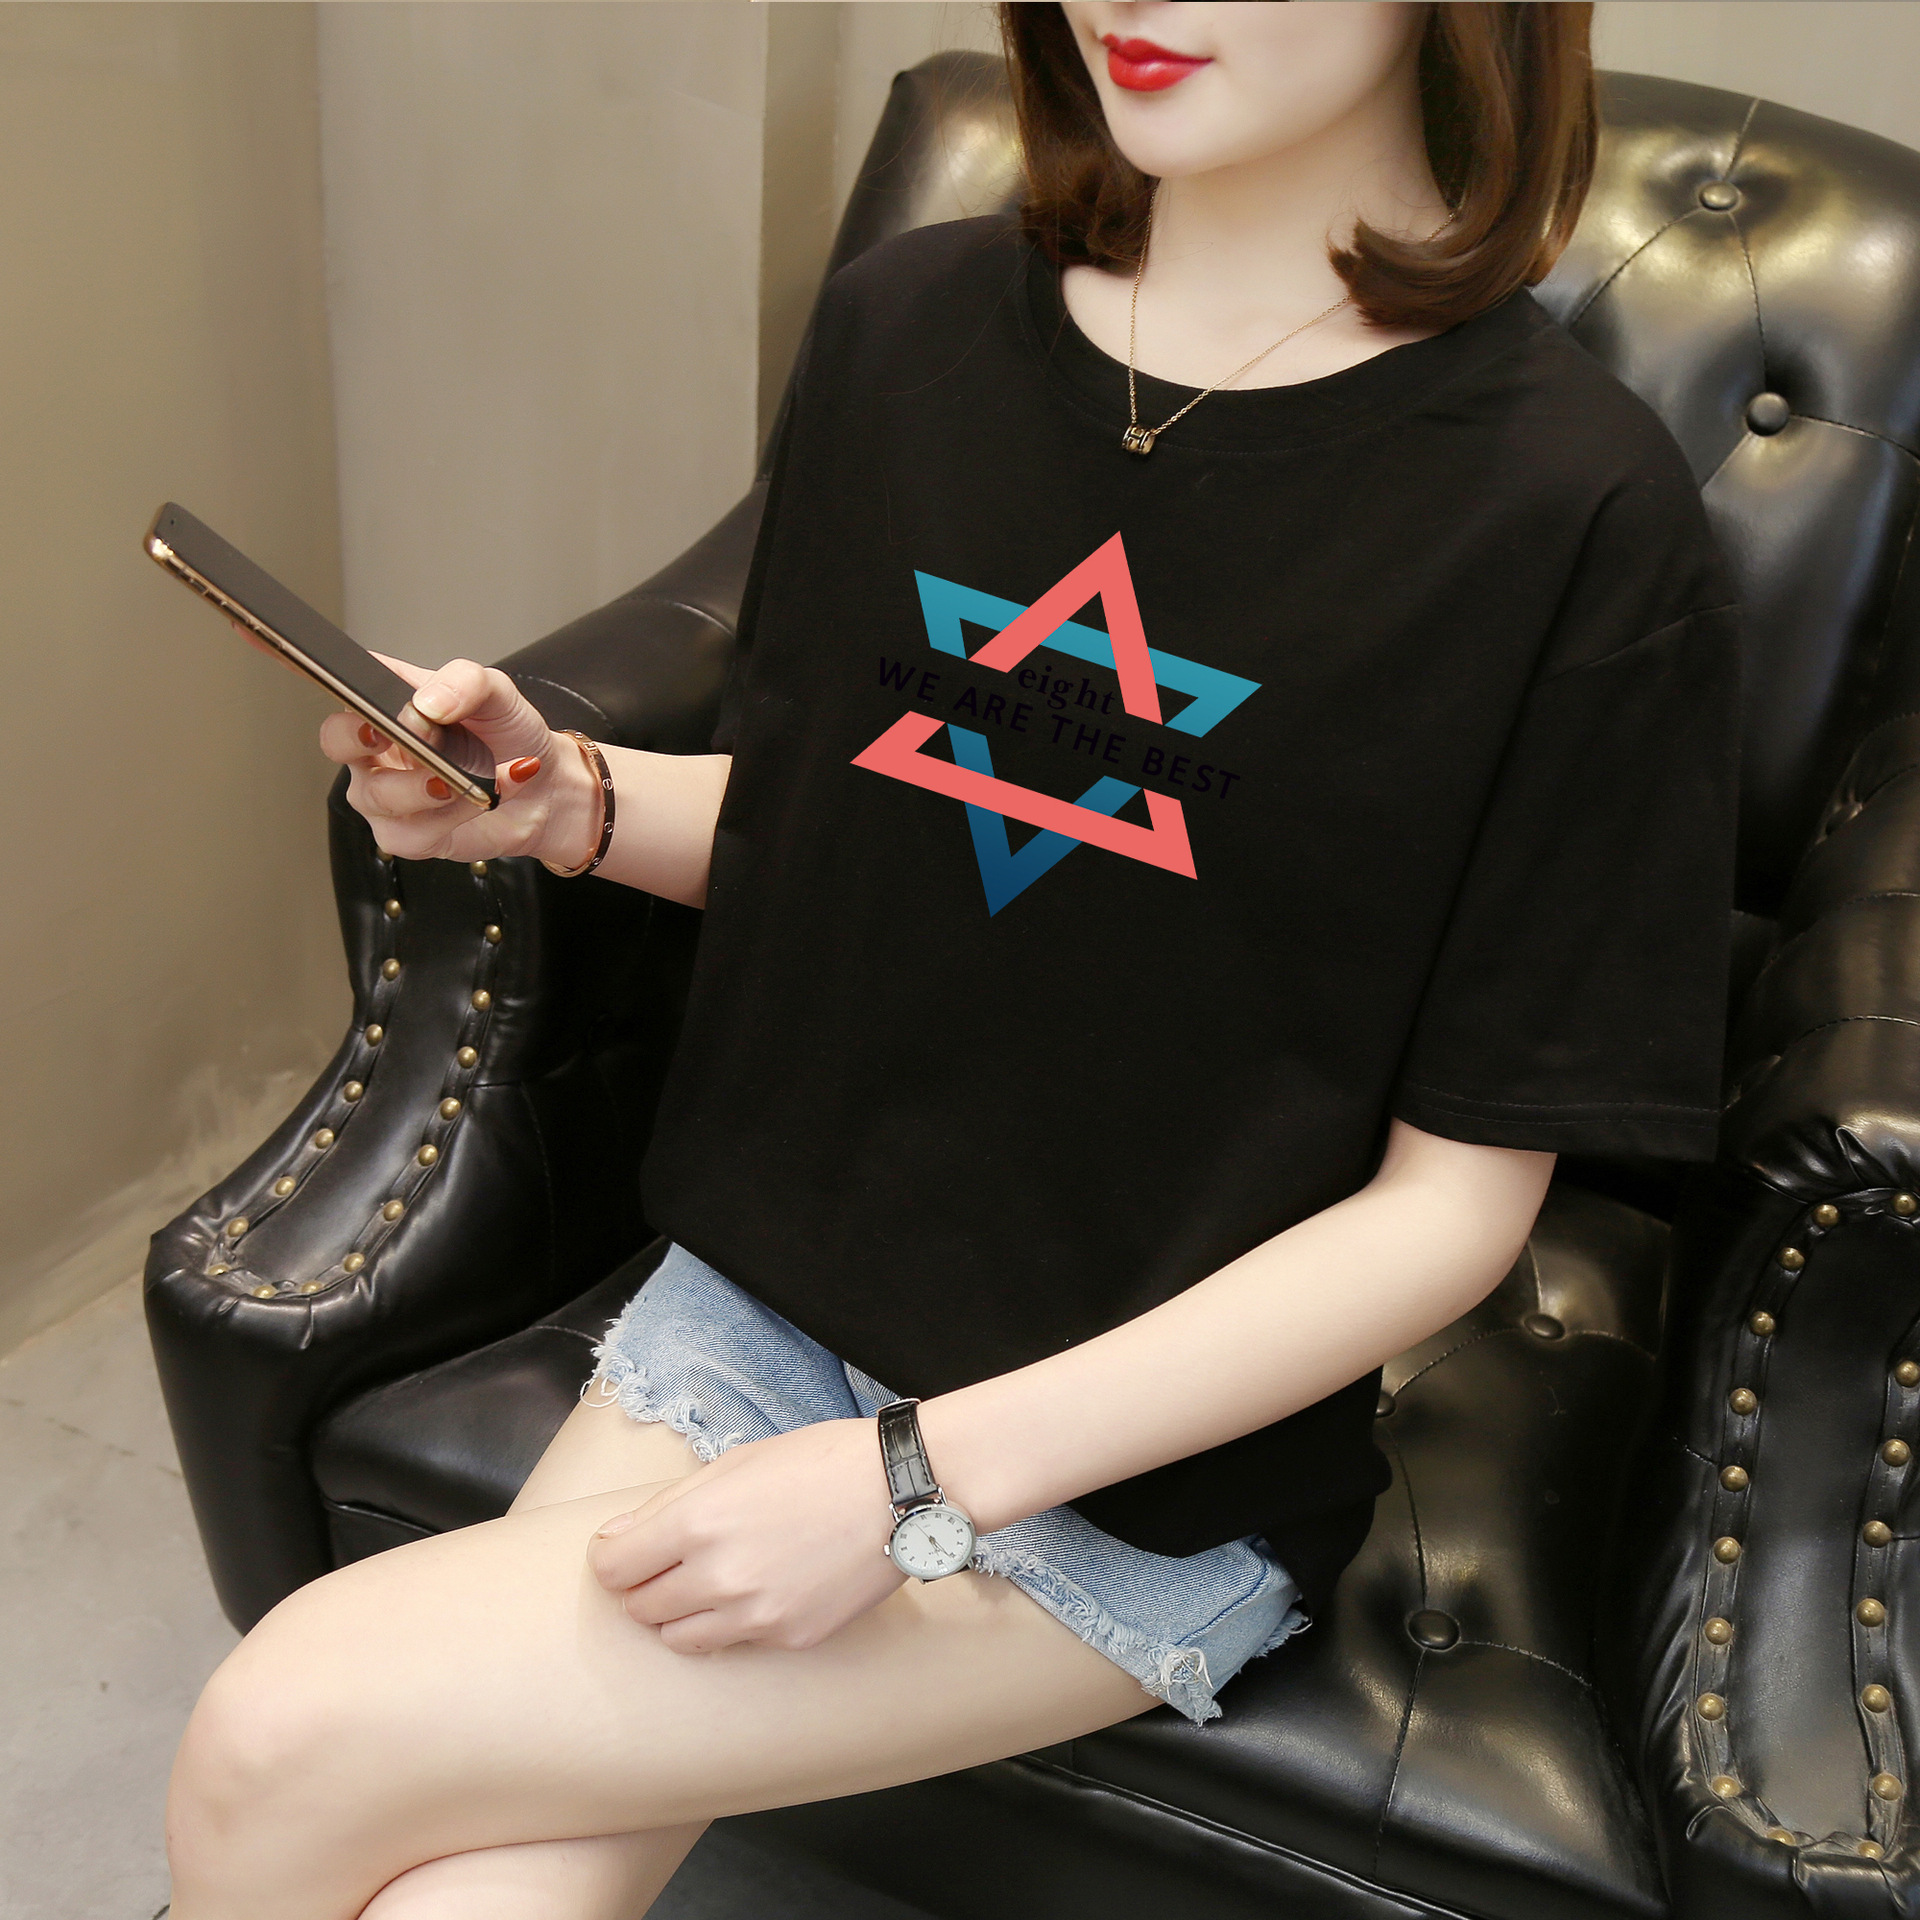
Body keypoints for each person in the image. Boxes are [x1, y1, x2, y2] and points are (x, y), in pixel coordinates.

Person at [163, 4, 1740, 1915]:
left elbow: (1450, 1217)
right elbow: (841, 836)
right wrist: (565, 799)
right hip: (765, 1313)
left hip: (1140, 1469)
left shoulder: (1577, 510)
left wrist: (915, 1478)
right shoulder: (906, 332)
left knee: (279, 1730)